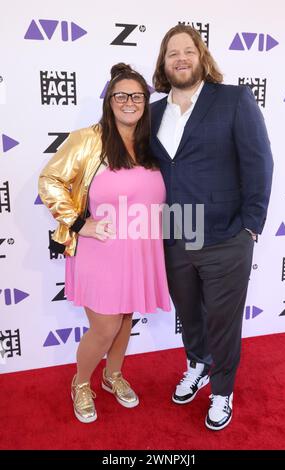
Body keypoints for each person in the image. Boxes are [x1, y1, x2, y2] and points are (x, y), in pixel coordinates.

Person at [151, 25, 273, 430]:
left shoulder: (234, 100)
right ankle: (198, 364)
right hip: (173, 236)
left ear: (202, 56)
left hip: (226, 237)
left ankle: (222, 390)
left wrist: (251, 226)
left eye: (188, 50)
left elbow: (259, 163)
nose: (180, 58)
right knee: (190, 314)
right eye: (172, 53)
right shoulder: (152, 112)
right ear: (164, 63)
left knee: (223, 320)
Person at [39, 63, 171, 424]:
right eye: (121, 96)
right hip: (101, 250)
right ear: (109, 101)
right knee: (105, 326)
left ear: (146, 101)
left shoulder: (150, 142)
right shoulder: (88, 139)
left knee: (126, 317)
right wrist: (80, 223)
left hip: (140, 249)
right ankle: (81, 382)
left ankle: (113, 376)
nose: (130, 102)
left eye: (137, 96)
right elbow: (50, 180)